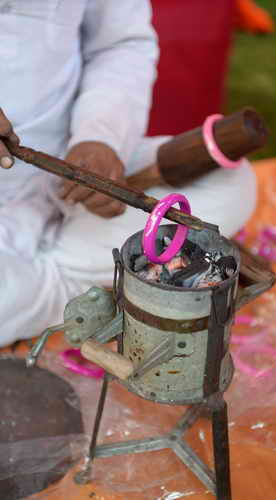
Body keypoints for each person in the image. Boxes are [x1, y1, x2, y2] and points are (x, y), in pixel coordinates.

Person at [0, 0, 256, 348]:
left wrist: (101, 139)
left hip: (61, 165)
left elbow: (120, 45)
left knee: (231, 183)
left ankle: (46, 290)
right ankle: (73, 287)